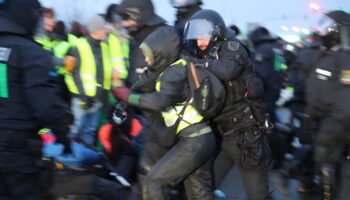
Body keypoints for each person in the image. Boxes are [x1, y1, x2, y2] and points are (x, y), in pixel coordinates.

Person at [113, 26, 217, 200]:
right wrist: (125, 102)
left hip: (193, 142)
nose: (146, 60)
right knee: (199, 195)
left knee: (154, 181)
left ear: (161, 52)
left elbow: (159, 101)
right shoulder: (177, 66)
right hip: (201, 140)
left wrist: (128, 97)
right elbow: (145, 83)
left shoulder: (173, 72)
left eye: (149, 55)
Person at [183, 9, 272, 200]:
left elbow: (227, 70)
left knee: (257, 194)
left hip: (244, 131)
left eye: (203, 36)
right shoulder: (205, 55)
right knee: (204, 185)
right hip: (222, 134)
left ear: (216, 32)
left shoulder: (232, 48)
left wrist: (198, 64)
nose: (200, 42)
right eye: (196, 38)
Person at [0, 0, 72, 199]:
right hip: (17, 149)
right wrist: (63, 136)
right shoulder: (30, 52)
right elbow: (46, 106)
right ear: (29, 16)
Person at [304, 10, 350, 200]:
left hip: (337, 126)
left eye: (327, 28)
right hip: (328, 123)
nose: (323, 33)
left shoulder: (345, 58)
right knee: (332, 173)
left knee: (342, 176)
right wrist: (309, 115)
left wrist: (327, 133)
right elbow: (321, 90)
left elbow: (346, 103)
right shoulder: (329, 54)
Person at [66, 15, 112, 145]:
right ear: (97, 30)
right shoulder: (79, 46)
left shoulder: (104, 46)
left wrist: (105, 94)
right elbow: (72, 73)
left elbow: (104, 71)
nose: (106, 31)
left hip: (97, 99)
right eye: (104, 29)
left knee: (90, 131)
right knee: (76, 130)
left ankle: (85, 161)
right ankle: (68, 159)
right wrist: (82, 95)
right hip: (82, 99)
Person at [118, 0, 167, 86]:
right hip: (137, 95)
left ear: (139, 15)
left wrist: (134, 98)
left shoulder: (162, 37)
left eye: (126, 17)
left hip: (151, 97)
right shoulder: (135, 37)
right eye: (121, 18)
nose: (123, 23)